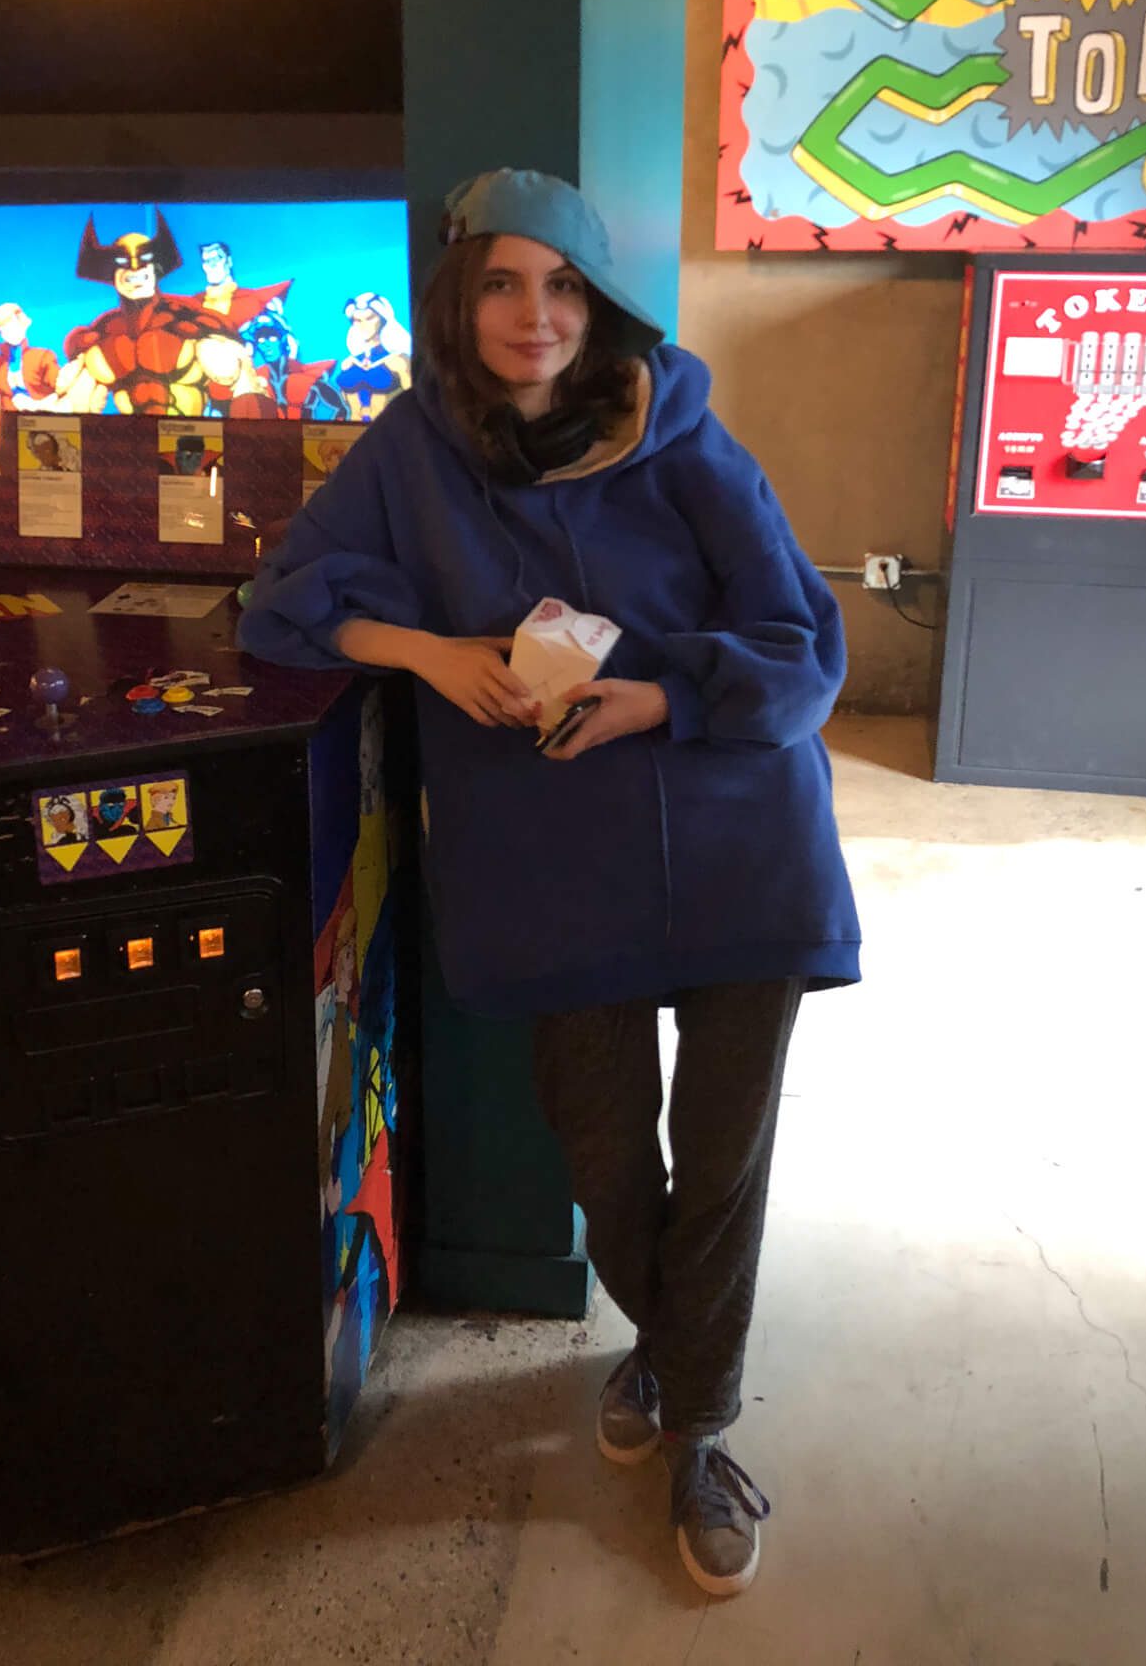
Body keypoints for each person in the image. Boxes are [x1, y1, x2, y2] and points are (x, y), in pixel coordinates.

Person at [238, 168, 860, 1598]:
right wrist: (429, 651)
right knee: (604, 1158)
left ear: (603, 302)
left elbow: (804, 650)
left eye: (566, 285)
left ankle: (699, 1429)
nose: (537, 316)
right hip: (552, 860)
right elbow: (287, 600)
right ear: (461, 299)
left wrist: (660, 696)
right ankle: (674, 1354)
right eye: (505, 284)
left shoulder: (685, 437)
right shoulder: (412, 451)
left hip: (736, 842)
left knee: (724, 1163)